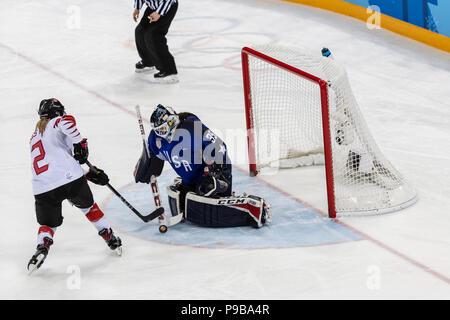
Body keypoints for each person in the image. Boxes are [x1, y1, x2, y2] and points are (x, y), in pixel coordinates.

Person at [134, 104, 271, 229]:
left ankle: (254, 209)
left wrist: (216, 173)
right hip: (191, 180)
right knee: (183, 200)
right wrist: (146, 165)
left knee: (205, 203)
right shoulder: (155, 139)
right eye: (161, 130)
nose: (165, 131)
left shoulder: (191, 126)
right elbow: (153, 160)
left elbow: (219, 147)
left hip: (213, 175)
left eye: (167, 125)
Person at [28, 98, 122, 273]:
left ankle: (42, 246)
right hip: (70, 180)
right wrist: (79, 142)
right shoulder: (56, 122)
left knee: (49, 224)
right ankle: (109, 237)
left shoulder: (34, 137)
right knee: (89, 208)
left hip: (42, 188)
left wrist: (88, 175)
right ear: (56, 112)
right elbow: (68, 121)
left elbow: (56, 169)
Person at [133, 0, 178, 83]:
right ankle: (148, 61)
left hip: (167, 7)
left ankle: (169, 71)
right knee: (140, 31)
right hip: (152, 8)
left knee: (154, 35)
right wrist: (137, 8)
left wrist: (159, 12)